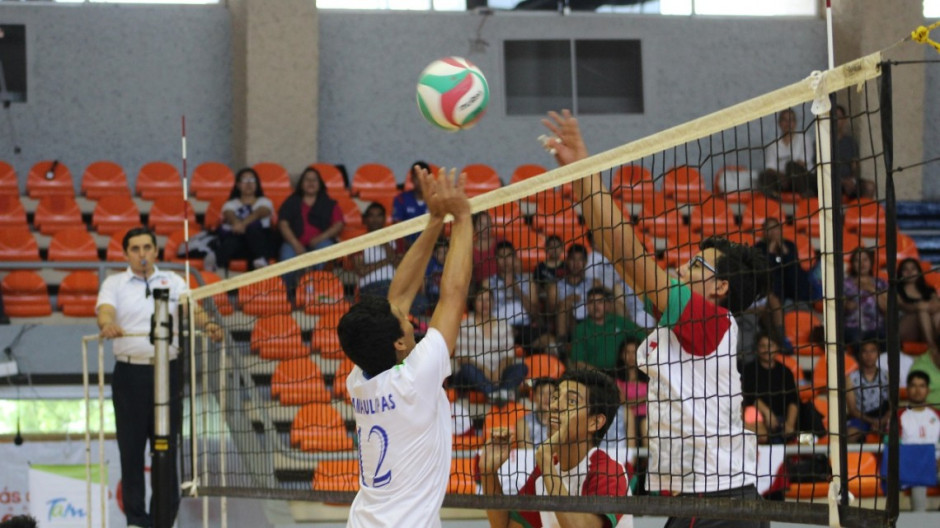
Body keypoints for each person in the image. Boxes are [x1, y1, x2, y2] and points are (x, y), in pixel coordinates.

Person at [543, 109, 769, 527]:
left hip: (721, 502)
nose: (685, 266)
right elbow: (615, 250)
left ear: (720, 288)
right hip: (695, 503)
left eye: (699, 265)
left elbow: (633, 252)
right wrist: (580, 179)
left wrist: (589, 168)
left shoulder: (711, 320)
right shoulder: (683, 321)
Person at [336, 166, 473, 528]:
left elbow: (398, 297)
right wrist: (461, 217)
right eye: (406, 322)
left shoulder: (361, 378)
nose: (411, 319)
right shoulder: (415, 378)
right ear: (399, 342)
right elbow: (454, 294)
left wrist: (433, 221)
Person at [96, 226, 223, 528]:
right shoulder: (114, 283)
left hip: (168, 373)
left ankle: (163, 520)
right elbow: (104, 311)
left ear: (155, 251)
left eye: (146, 248)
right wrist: (107, 324)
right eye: (135, 249)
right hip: (130, 374)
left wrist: (209, 326)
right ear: (127, 253)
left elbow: (194, 310)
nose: (142, 254)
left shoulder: (174, 280)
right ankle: (137, 522)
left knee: (166, 448)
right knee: (131, 451)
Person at [481, 370, 633, 528]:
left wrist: (546, 459)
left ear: (594, 422)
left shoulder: (609, 471)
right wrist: (489, 473)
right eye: (555, 397)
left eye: (571, 401)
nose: (554, 406)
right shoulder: (544, 473)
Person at [452, 283, 528, 403]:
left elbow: (509, 356)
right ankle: (494, 392)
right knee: (467, 369)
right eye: (480, 300)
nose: (485, 304)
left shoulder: (503, 325)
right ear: (474, 303)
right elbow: (462, 358)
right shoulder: (464, 325)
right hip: (474, 376)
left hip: (498, 374)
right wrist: (484, 369)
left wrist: (499, 370)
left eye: (488, 300)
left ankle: (501, 392)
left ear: (493, 303)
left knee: (522, 367)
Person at [487, 240, 549, 352]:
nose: (505, 261)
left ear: (515, 258)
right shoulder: (488, 283)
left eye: (509, 256)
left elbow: (534, 313)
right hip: (497, 329)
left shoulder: (528, 282)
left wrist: (516, 288)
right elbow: (483, 313)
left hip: (524, 328)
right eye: (501, 257)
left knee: (548, 341)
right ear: (495, 259)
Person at [570, 286, 647, 375]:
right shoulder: (580, 329)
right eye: (591, 302)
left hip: (623, 377)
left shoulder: (620, 322)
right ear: (586, 305)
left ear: (607, 304)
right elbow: (578, 363)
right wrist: (603, 377)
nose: (596, 306)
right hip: (595, 378)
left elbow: (645, 338)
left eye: (600, 302)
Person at [212, 167, 275, 271]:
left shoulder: (265, 201)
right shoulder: (230, 204)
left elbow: (261, 212)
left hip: (262, 242)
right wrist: (236, 223)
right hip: (239, 245)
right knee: (235, 238)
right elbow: (229, 214)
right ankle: (216, 266)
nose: (249, 183)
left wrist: (242, 224)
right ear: (237, 185)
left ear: (257, 184)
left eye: (252, 180)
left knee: (253, 227)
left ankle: (216, 260)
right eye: (245, 180)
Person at [740, 333, 799, 444]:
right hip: (757, 418)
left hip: (782, 420)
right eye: (762, 346)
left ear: (777, 347)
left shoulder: (785, 371)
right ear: (757, 348)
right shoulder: (749, 370)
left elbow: (793, 400)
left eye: (770, 345)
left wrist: (790, 424)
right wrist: (767, 413)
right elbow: (750, 397)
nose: (767, 349)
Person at [277, 166, 345, 263]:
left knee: (325, 251)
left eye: (314, 180)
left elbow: (339, 224)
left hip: (321, 241)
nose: (311, 182)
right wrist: (295, 244)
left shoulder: (329, 203)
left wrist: (319, 239)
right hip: (294, 243)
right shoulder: (291, 202)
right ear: (301, 184)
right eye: (307, 179)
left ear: (320, 184)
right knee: (287, 258)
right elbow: (283, 224)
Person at [897, 371, 940, 511]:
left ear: (927, 389)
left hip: (937, 464)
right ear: (907, 389)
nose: (917, 390)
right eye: (913, 386)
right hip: (913, 467)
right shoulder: (899, 416)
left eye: (922, 386)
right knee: (919, 480)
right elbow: (893, 446)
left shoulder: (937, 415)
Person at [753, 217, 815, 304]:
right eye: (769, 229)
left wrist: (785, 251)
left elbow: (794, 267)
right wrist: (770, 251)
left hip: (790, 287)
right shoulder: (759, 247)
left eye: (775, 228)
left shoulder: (789, 245)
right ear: (764, 232)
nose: (773, 231)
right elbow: (763, 268)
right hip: (771, 291)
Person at [761, 108, 816, 196]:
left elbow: (803, 162)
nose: (788, 124)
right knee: (764, 176)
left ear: (795, 123)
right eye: (785, 120)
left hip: (804, 179)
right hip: (783, 180)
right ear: (779, 123)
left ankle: (807, 196)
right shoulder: (773, 144)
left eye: (791, 120)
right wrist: (782, 177)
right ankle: (773, 199)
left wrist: (789, 174)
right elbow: (770, 168)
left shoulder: (805, 139)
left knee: (791, 166)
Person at [351, 202, 400, 299]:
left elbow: (400, 266)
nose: (375, 220)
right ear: (365, 220)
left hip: (395, 286)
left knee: (421, 302)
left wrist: (385, 243)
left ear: (384, 219)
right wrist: (388, 260)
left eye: (379, 216)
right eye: (371, 216)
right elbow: (361, 271)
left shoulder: (396, 240)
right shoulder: (358, 242)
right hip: (371, 286)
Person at [845, 339, 890, 443]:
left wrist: (882, 421)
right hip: (861, 418)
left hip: (884, 417)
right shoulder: (851, 378)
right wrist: (873, 421)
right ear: (860, 355)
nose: (869, 355)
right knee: (850, 436)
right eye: (865, 351)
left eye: (873, 351)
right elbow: (852, 410)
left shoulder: (887, 375)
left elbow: (894, 404)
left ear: (878, 353)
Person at [844, 247, 888, 347]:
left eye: (865, 260)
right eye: (857, 260)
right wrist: (846, 305)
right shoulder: (844, 283)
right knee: (856, 339)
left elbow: (887, 308)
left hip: (877, 327)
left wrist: (871, 290)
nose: (861, 264)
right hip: (852, 327)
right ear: (852, 264)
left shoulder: (880, 283)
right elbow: (839, 308)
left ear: (871, 262)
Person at [896, 257, 940, 352]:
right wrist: (923, 307)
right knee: (922, 311)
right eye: (905, 269)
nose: (910, 272)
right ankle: (931, 347)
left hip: (928, 328)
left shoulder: (928, 290)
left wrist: (925, 306)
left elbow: (937, 305)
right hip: (906, 328)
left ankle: (935, 343)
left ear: (919, 272)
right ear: (900, 273)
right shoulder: (896, 291)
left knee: (937, 314)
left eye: (913, 269)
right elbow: (906, 307)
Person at [553, 244, 593, 343]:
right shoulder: (556, 286)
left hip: (591, 320)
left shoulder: (593, 283)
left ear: (586, 262)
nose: (576, 264)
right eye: (573, 259)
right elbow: (551, 312)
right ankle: (562, 345)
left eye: (580, 260)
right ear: (567, 260)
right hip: (568, 322)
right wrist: (567, 302)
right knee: (564, 306)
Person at [614, 338, 648, 448]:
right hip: (627, 420)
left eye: (634, 352)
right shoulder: (617, 379)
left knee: (645, 425)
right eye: (627, 352)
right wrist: (645, 398)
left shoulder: (650, 375)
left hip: (649, 417)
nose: (631, 356)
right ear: (621, 355)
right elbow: (623, 402)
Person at [392, 160, 430, 245]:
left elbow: (440, 229)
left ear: (429, 179)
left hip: (430, 247)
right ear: (412, 179)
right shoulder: (401, 199)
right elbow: (396, 230)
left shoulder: (436, 199)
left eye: (423, 177)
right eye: (417, 177)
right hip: (406, 248)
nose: (420, 181)